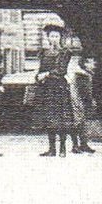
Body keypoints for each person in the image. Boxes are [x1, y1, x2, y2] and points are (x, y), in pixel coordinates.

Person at [34, 24, 75, 156]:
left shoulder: (65, 52)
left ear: (60, 37)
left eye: (57, 36)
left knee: (61, 118)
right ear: (48, 38)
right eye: (52, 36)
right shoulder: (43, 53)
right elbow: (40, 70)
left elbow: (61, 70)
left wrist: (45, 74)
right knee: (49, 118)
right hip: (47, 88)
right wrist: (38, 77)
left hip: (59, 87)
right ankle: (52, 149)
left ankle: (62, 148)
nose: (54, 38)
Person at [67, 50, 97, 154]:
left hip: (77, 101)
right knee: (78, 123)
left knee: (81, 124)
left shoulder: (83, 74)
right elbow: (85, 92)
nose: (94, 65)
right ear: (85, 63)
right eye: (92, 63)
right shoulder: (82, 75)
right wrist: (90, 102)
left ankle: (83, 144)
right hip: (77, 102)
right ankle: (76, 145)